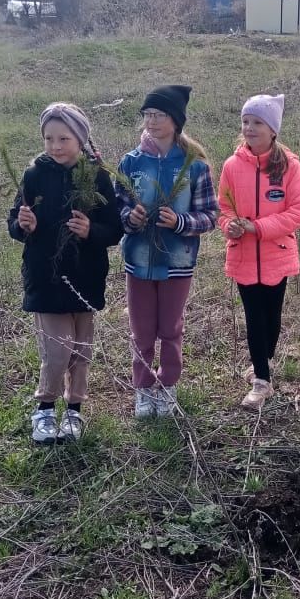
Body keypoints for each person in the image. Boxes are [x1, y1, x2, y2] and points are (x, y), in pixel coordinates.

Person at [8, 102, 123, 444]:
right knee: (57, 350)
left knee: (81, 350)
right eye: (48, 138)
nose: (55, 146)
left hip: (85, 277)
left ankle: (74, 411)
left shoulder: (98, 176)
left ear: (81, 138)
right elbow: (15, 220)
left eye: (63, 138)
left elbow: (114, 229)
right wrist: (22, 225)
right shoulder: (34, 175)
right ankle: (44, 410)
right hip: (45, 276)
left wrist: (91, 231)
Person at [115, 85, 218, 419]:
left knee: (170, 328)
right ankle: (143, 388)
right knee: (142, 329)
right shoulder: (131, 163)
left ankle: (167, 385)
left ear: (176, 121)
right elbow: (116, 206)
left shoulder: (195, 167)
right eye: (147, 114)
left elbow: (209, 216)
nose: (152, 121)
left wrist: (179, 221)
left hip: (178, 263)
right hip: (139, 262)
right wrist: (129, 218)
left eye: (159, 115)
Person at [218, 94, 300, 411]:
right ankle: (261, 381)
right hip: (243, 256)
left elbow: (298, 211)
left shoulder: (289, 166)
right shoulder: (231, 166)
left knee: (272, 320)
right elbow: (224, 208)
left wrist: (258, 227)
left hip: (277, 254)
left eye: (257, 122)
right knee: (254, 318)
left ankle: (263, 360)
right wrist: (229, 224)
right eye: (245, 121)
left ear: (272, 129)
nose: (250, 128)